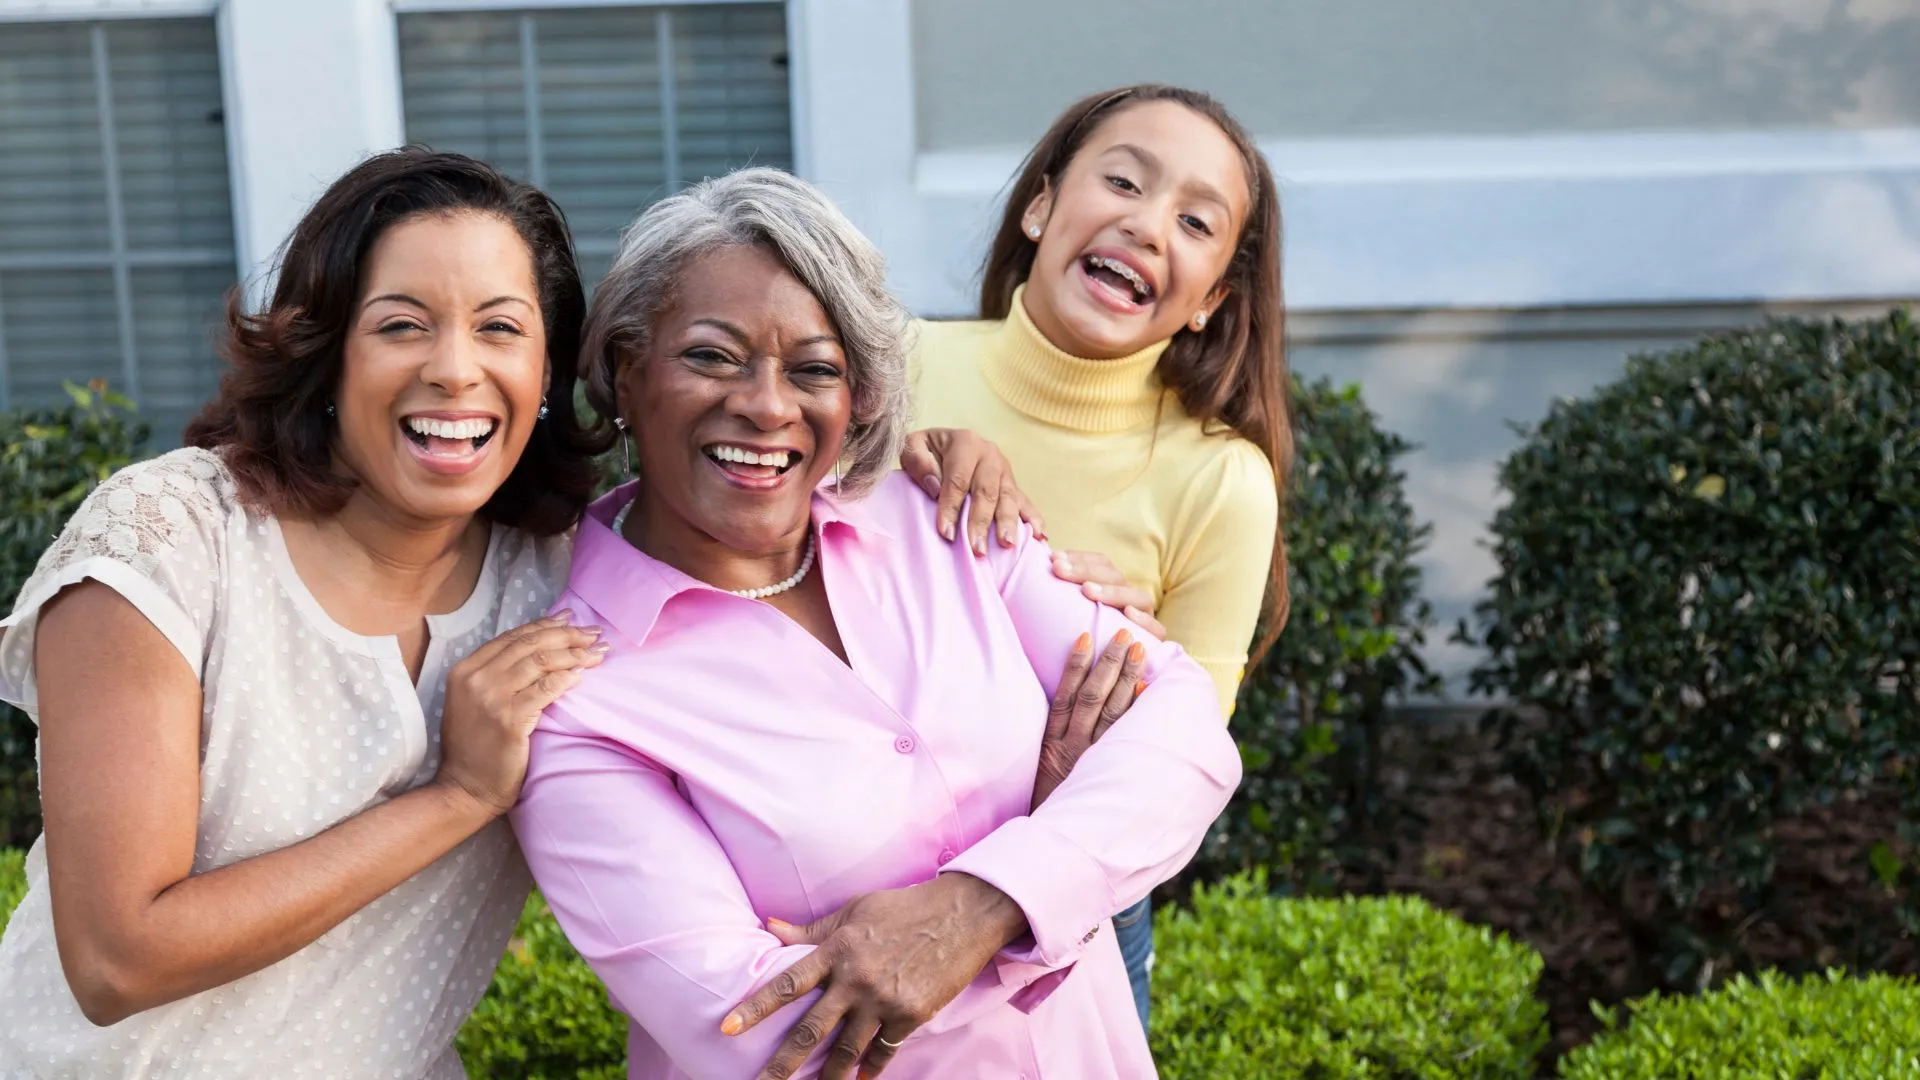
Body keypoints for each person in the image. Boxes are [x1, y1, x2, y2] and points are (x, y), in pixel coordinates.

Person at [510, 167, 1241, 1080]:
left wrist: (988, 902)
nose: (768, 405)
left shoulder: (946, 519)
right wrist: (1063, 868)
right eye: (711, 355)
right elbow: (767, 1031)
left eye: (815, 369)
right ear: (624, 367)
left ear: (856, 396)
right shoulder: (576, 697)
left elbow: (1181, 727)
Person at [0, 149, 610, 1078]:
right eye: (401, 325)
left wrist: (912, 465)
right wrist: (459, 795)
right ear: (327, 352)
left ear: (547, 367)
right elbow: (116, 959)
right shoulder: (171, 540)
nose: (455, 370)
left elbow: (774, 545)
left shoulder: (567, 578)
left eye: (500, 328)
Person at [908, 83, 1291, 1029]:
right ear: (1040, 207)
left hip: (1071, 889)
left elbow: (1185, 759)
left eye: (1195, 221)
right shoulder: (893, 366)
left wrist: (1139, 669)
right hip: (851, 834)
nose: (1147, 224)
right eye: (1123, 180)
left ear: (1211, 301)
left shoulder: (1222, 481)